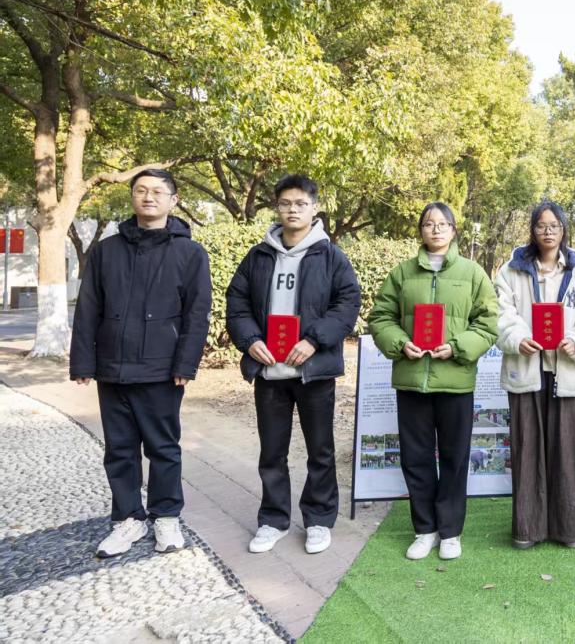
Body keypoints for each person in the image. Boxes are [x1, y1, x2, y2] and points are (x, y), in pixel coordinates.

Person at [69, 169, 212, 558]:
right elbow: (88, 308)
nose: (148, 197)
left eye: (158, 192)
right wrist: (83, 362)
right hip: (112, 368)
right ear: (132, 196)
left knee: (163, 447)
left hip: (161, 370)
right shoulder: (107, 251)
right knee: (119, 448)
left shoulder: (190, 253)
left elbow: (197, 313)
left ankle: (166, 516)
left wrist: (186, 364)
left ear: (173, 200)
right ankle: (128, 518)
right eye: (141, 190)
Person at [226, 174, 361, 555]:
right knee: (272, 451)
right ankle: (273, 520)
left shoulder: (331, 256)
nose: (292, 210)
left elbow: (347, 303)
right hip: (270, 371)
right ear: (277, 207)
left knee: (320, 450)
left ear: (314, 208)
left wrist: (314, 340)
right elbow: (236, 303)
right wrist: (250, 341)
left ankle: (318, 519)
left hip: (312, 372)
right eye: (285, 203)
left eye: (300, 203)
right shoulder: (258, 256)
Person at [368, 202, 498, 561]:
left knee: (455, 458)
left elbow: (488, 323)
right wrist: (400, 343)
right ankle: (424, 529)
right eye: (428, 223)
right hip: (412, 382)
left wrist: (457, 347)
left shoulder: (473, 274)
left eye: (443, 224)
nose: (436, 229)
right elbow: (380, 317)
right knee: (416, 458)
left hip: (455, 382)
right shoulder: (402, 273)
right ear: (421, 231)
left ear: (454, 230)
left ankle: (451, 531)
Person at [494, 201, 575, 549]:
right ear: (532, 229)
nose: (548, 231)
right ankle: (528, 529)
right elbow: (502, 314)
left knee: (567, 453)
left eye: (554, 225)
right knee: (527, 450)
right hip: (527, 370)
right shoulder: (512, 271)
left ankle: (567, 529)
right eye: (541, 225)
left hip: (566, 371)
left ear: (563, 229)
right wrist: (517, 337)